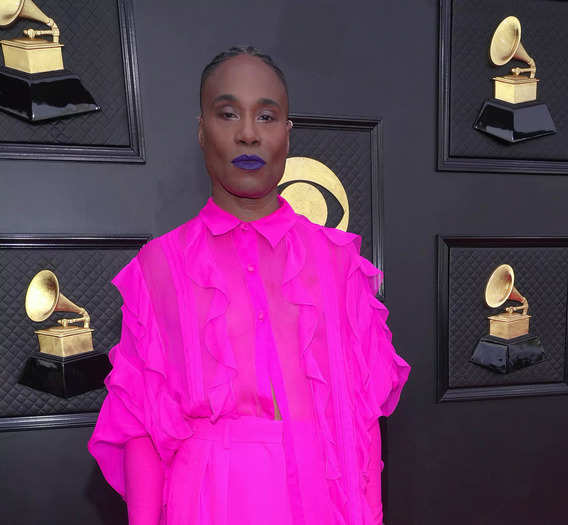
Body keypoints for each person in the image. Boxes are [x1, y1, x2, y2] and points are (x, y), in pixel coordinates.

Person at [87, 46, 410, 525]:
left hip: (324, 502)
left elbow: (363, 422)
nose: (247, 133)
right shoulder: (160, 267)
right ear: (201, 130)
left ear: (287, 133)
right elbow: (141, 428)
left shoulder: (339, 263)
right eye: (227, 113)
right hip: (206, 504)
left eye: (267, 115)